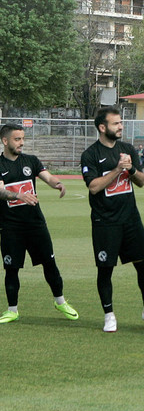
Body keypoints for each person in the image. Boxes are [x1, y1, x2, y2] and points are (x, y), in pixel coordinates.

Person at [81, 107, 144, 333]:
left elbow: (142, 181)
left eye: (121, 123)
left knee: (143, 266)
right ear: (102, 127)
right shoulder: (90, 154)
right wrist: (117, 170)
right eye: (116, 123)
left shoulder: (127, 149)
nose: (120, 126)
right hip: (105, 222)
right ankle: (109, 315)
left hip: (130, 220)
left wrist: (130, 170)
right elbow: (94, 186)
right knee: (105, 269)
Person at [0, 124, 78, 324]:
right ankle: (12, 310)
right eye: (17, 139)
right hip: (10, 227)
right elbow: (0, 191)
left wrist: (57, 183)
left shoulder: (31, 161)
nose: (22, 142)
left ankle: (60, 302)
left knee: (49, 263)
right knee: (11, 269)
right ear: (5, 141)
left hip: (35, 224)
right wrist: (19, 195)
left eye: (22, 138)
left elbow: (47, 177)